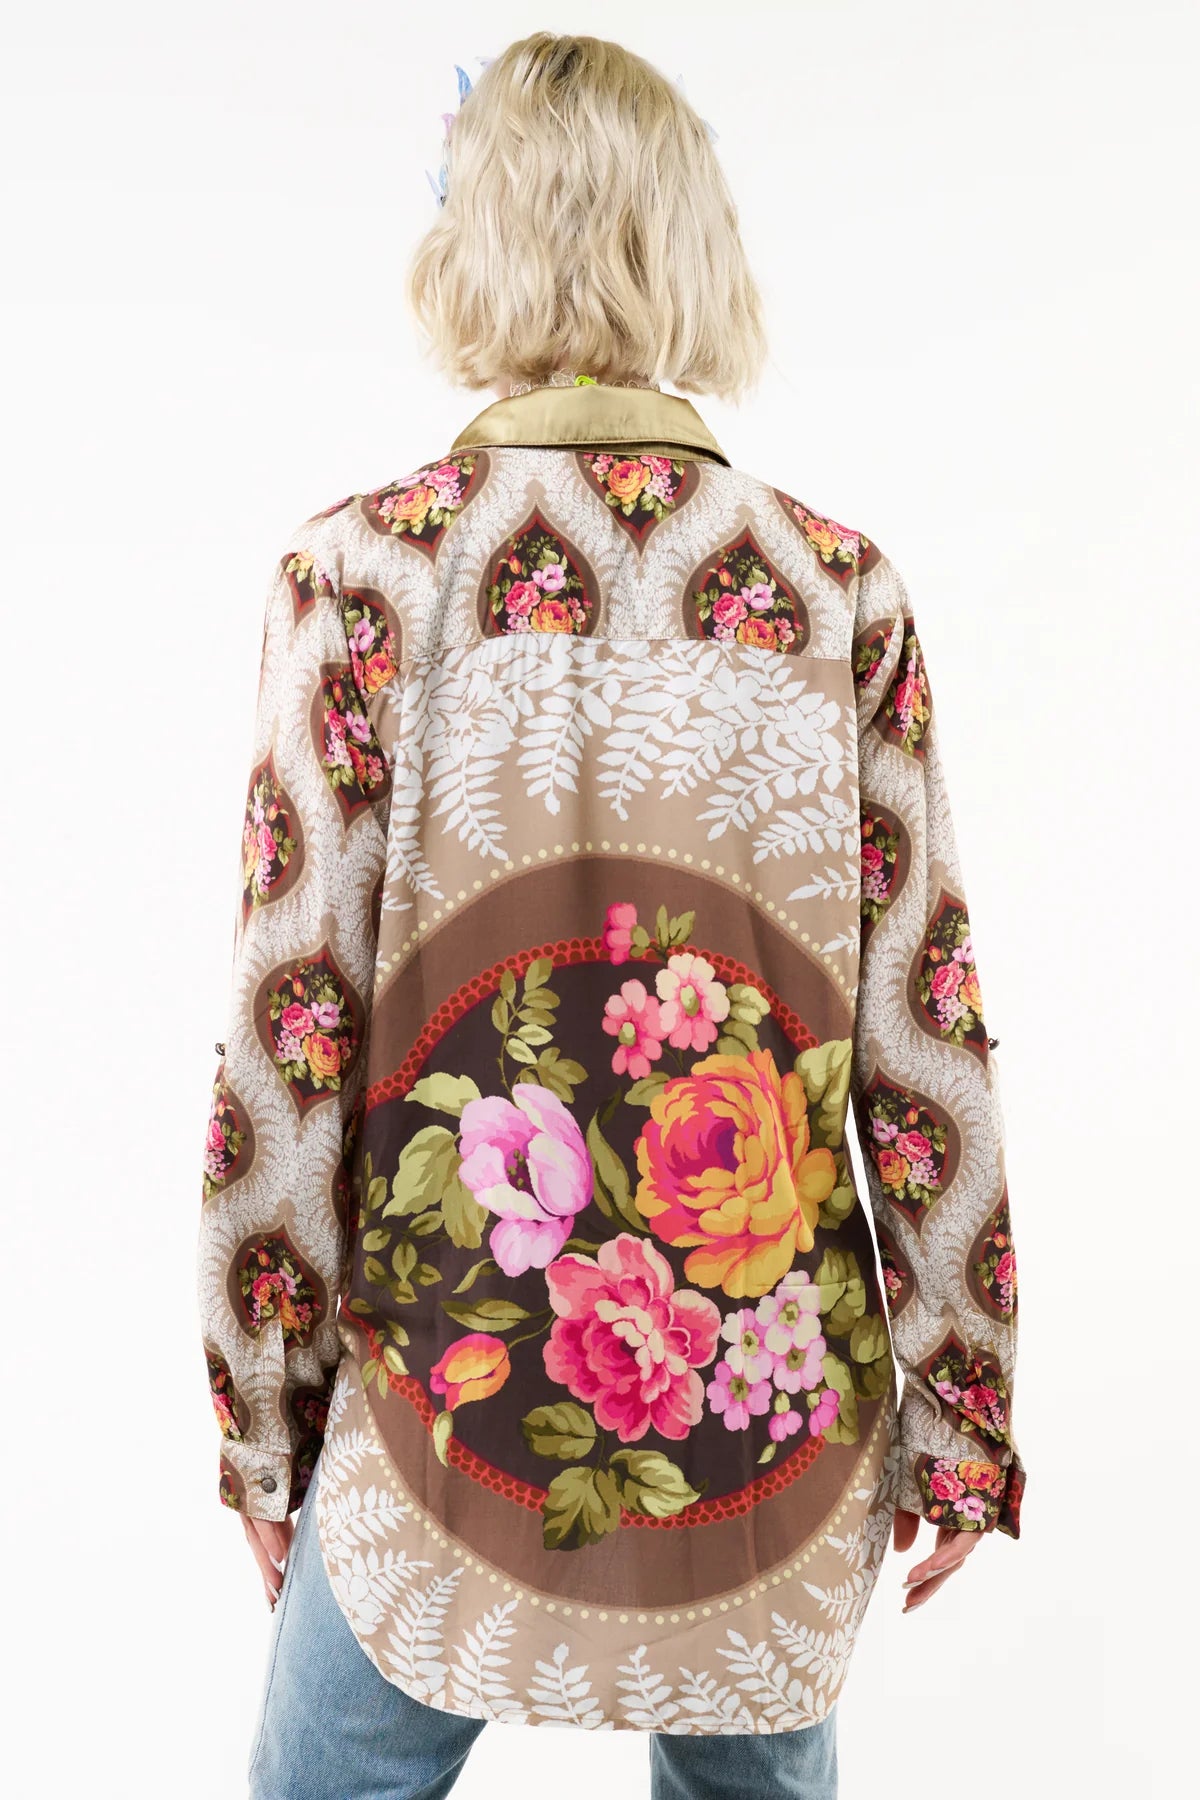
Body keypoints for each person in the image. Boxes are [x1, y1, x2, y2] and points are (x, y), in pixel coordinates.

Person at [195, 31, 1025, 1799]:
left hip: (442, 1400)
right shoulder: (836, 589)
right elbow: (923, 1034)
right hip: (761, 1401)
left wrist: (263, 1416)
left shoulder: (362, 576)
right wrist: (963, 1403)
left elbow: (291, 1026)